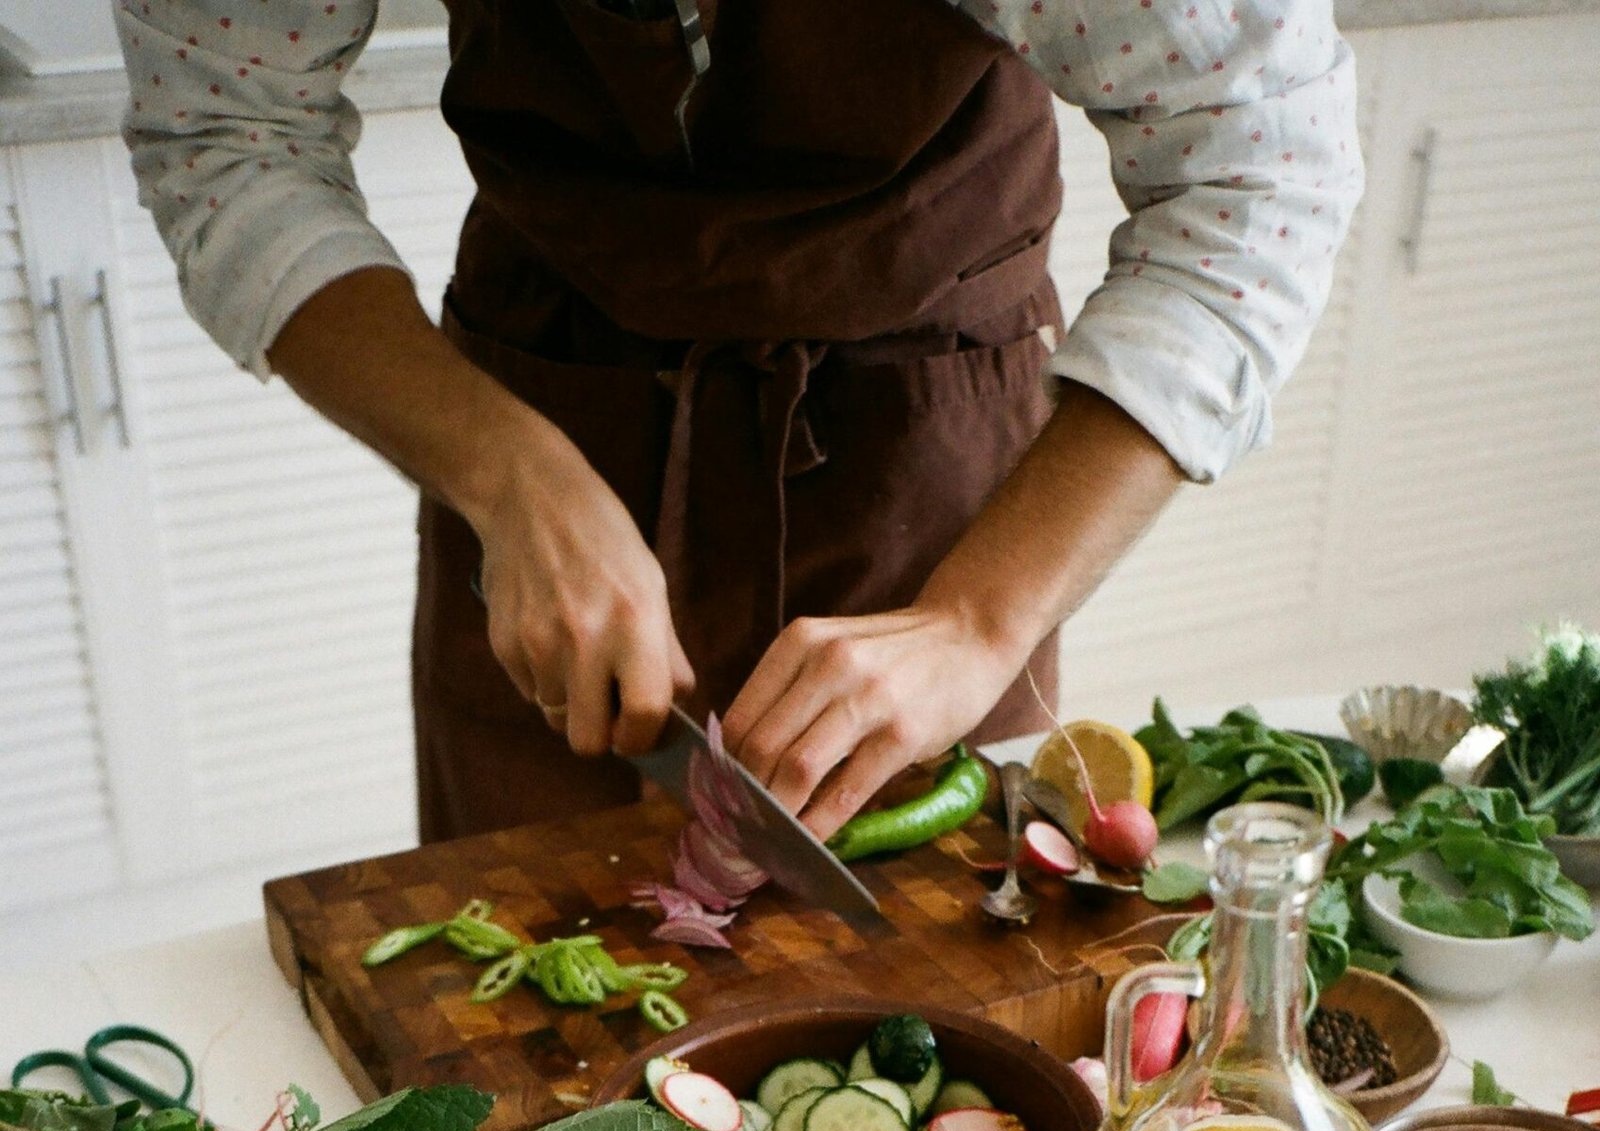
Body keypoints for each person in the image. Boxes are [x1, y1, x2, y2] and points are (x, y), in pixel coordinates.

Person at [114, 0, 1359, 845]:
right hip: (545, 391)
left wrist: (979, 617)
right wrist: (506, 475)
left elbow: (1260, 173)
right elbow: (229, 136)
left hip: (920, 440)